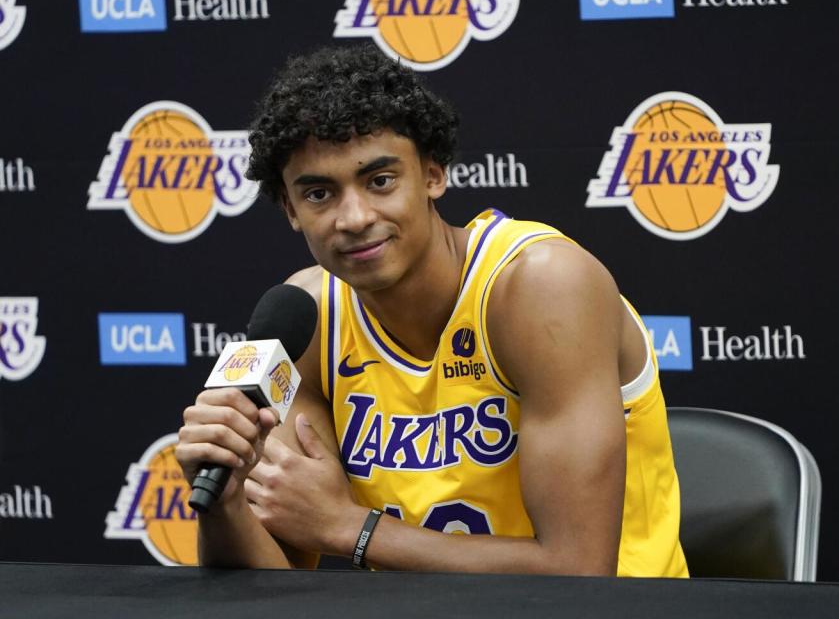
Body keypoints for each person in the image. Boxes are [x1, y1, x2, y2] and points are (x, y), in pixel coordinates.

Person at [175, 44, 688, 577]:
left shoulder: (540, 285)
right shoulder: (307, 314)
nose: (353, 217)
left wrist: (347, 527)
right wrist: (226, 502)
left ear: (434, 175)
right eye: (320, 194)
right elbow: (276, 579)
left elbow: (578, 570)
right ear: (290, 210)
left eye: (380, 181)